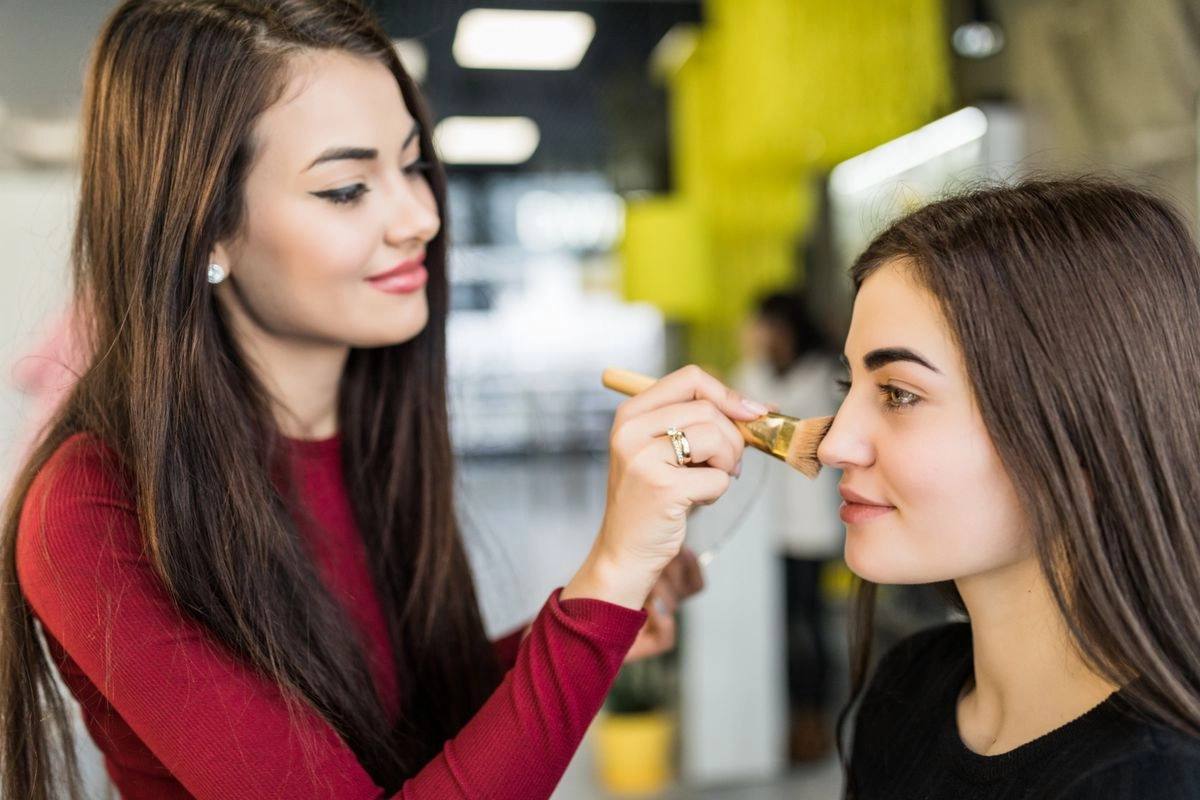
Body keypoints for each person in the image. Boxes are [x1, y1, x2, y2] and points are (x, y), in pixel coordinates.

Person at [0, 2, 769, 798]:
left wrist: (597, 609)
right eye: (344, 189)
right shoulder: (93, 508)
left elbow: (396, 733)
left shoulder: (367, 420)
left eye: (412, 165)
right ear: (207, 230)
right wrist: (606, 584)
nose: (423, 217)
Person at [819, 178, 1200, 798]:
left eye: (899, 394)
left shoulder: (1153, 780)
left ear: (1080, 429)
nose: (835, 443)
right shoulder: (906, 688)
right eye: (849, 390)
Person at [734, 291, 841, 762]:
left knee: (807, 624)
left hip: (809, 529)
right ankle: (782, 721)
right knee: (776, 624)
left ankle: (812, 719)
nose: (766, 337)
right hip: (765, 531)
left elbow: (787, 426)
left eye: (771, 327)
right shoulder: (756, 373)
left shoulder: (819, 374)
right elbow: (745, 412)